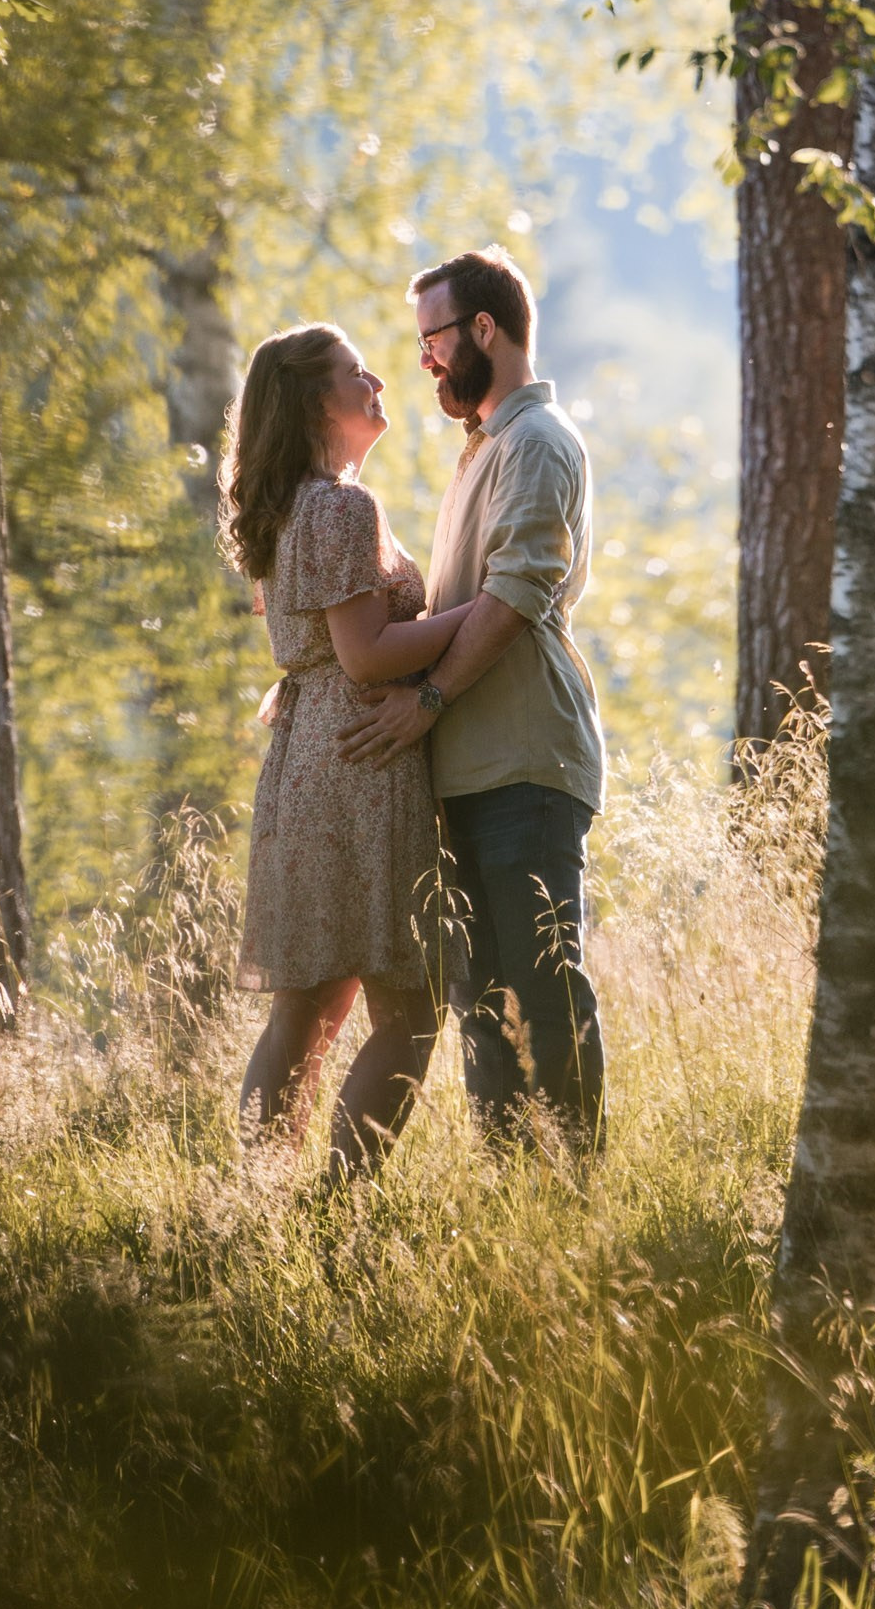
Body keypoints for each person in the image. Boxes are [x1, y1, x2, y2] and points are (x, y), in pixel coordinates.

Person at [341, 246, 607, 1148]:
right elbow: (458, 603)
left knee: (541, 983)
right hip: (469, 766)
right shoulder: (489, 447)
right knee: (481, 1002)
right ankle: (513, 1208)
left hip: (524, 759)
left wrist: (428, 703)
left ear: (484, 330)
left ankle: (572, 1199)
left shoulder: (537, 443)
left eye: (434, 339)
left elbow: (514, 596)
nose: (424, 360)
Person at [222, 322, 472, 1175]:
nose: (378, 381)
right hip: (361, 760)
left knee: (309, 1007)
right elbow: (364, 654)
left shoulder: (291, 505)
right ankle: (335, 1210)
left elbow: (320, 649)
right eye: (354, 372)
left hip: (308, 759)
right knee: (410, 1009)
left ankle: (258, 1201)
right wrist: (487, 613)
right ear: (312, 400)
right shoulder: (338, 505)